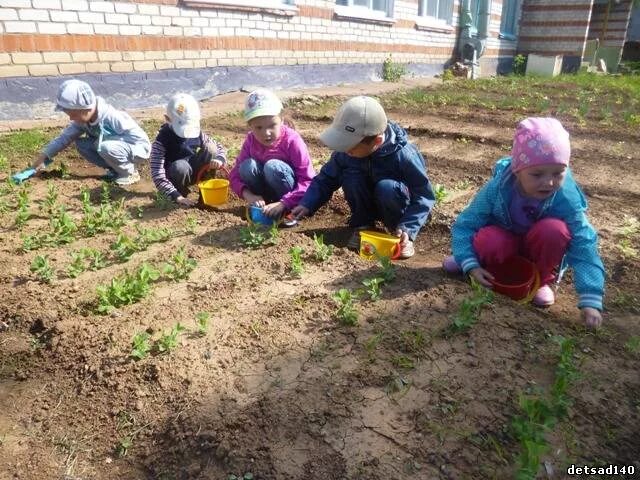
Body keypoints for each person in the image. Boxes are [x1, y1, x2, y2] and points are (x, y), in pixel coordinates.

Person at [443, 117, 605, 328]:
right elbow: (467, 223)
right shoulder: (499, 188)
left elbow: (585, 245)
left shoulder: (566, 197)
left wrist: (591, 299)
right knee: (488, 240)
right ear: (518, 170)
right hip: (504, 241)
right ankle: (479, 263)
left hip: (538, 248)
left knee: (554, 231)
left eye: (558, 173)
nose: (548, 182)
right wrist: (469, 262)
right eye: (537, 174)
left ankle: (540, 279)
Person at [291, 96, 435, 259]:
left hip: (396, 206)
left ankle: (401, 237)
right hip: (365, 203)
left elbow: (424, 195)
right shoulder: (346, 153)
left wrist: (408, 226)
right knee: (352, 177)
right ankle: (364, 226)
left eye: (351, 147)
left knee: (387, 187)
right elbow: (326, 179)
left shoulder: (404, 156)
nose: (346, 151)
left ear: (377, 141)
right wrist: (307, 203)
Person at [31, 79, 150, 186]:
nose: (71, 119)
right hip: (115, 148)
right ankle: (115, 170)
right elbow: (64, 138)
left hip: (137, 148)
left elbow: (138, 140)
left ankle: (129, 173)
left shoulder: (112, 116)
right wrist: (44, 156)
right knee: (82, 144)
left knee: (105, 147)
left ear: (84, 109)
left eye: (73, 114)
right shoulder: (82, 121)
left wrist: (127, 154)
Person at [229, 88, 315, 220]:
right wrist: (250, 196)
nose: (266, 133)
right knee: (247, 166)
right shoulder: (251, 140)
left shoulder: (292, 140)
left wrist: (284, 203)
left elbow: (308, 179)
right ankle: (264, 205)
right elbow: (234, 175)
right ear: (250, 125)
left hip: (290, 195)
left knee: (273, 166)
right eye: (259, 127)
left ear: (281, 119)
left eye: (272, 125)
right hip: (263, 193)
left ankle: (287, 210)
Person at [150, 93, 227, 207]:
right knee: (180, 166)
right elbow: (157, 173)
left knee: (211, 148)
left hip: (195, 171)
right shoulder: (162, 140)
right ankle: (181, 193)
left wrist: (220, 159)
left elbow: (218, 147)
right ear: (167, 119)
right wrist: (176, 196)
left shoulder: (197, 133)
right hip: (176, 175)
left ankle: (205, 192)